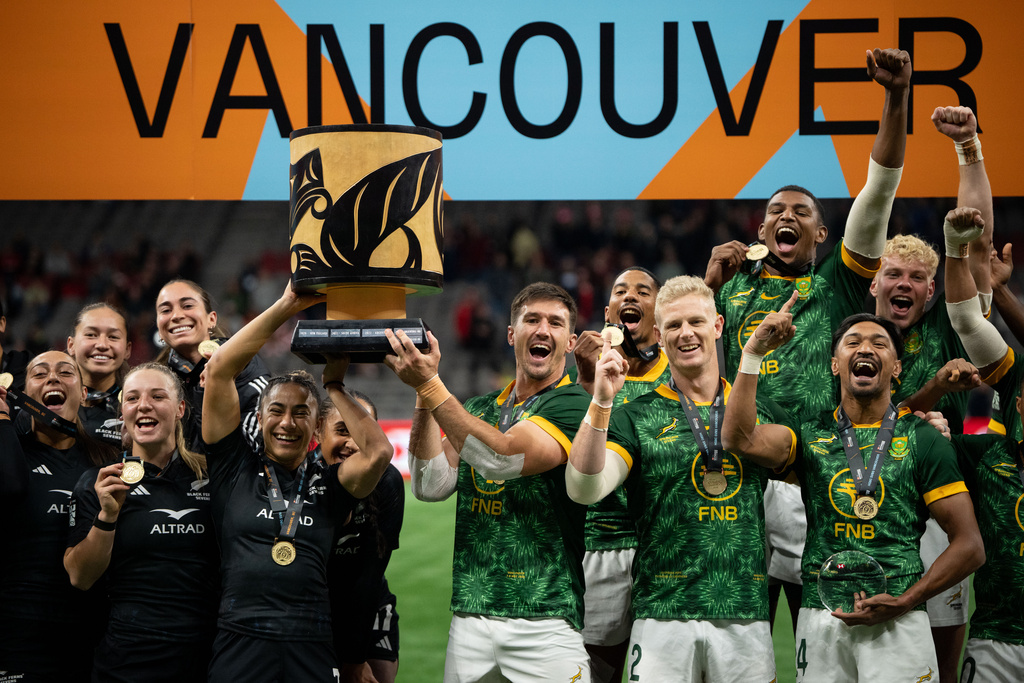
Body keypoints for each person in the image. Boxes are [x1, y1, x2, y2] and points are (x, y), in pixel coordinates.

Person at [705, 47, 912, 631]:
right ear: (761, 229)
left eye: (800, 211)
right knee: (740, 646)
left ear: (821, 233)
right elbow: (685, 360)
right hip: (737, 479)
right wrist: (707, 284)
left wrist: (896, 98)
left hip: (812, 475)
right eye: (776, 210)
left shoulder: (838, 283)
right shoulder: (730, 288)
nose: (786, 216)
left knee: (818, 636)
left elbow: (877, 194)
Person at [722, 302, 984, 682]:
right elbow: (738, 438)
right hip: (820, 617)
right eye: (852, 342)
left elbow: (970, 545)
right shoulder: (809, 435)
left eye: (879, 343)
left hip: (900, 620)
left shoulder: (923, 440)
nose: (865, 349)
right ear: (834, 364)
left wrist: (906, 600)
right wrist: (753, 353)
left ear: (896, 368)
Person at [566, 275, 783, 681]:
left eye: (696, 322)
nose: (686, 333)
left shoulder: (762, 410)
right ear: (660, 338)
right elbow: (584, 488)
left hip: (744, 612)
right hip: (661, 614)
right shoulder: (635, 415)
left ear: (717, 326)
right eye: (674, 326)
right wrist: (601, 401)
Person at [384, 282, 593, 682]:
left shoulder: (574, 404)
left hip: (544, 615)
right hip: (470, 617)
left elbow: (503, 458)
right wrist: (423, 392)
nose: (543, 329)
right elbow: (429, 485)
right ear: (512, 334)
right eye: (532, 320)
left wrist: (431, 384)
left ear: (570, 342)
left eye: (555, 323)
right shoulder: (481, 407)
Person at [201, 283, 392, 683]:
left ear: (317, 426)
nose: (287, 423)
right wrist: (287, 304)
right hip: (240, 638)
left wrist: (335, 387)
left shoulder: (331, 482)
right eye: (277, 410)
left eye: (301, 413)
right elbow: (219, 369)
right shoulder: (233, 466)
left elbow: (378, 453)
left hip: (311, 642)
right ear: (260, 418)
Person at [867, 105, 991, 682]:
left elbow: (975, 242)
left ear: (932, 288)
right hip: (866, 507)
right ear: (874, 281)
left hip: (940, 506)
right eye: (894, 274)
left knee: (939, 661)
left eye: (917, 278)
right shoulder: (851, 337)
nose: (904, 284)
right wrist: (922, 405)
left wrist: (969, 147)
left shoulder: (950, 328)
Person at [64, 362, 219, 682]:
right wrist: (107, 516)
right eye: (132, 398)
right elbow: (80, 577)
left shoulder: (213, 477)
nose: (144, 405)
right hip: (127, 660)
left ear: (180, 409)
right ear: (123, 412)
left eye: (157, 396)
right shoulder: (99, 483)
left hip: (206, 658)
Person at [571, 266, 670, 683]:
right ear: (608, 312)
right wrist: (583, 384)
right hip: (601, 543)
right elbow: (573, 457)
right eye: (620, 291)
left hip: (666, 547)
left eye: (643, 292)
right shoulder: (583, 372)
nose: (630, 296)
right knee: (598, 670)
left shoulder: (680, 372)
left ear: (660, 315)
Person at [0, 351, 117, 682]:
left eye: (66, 372)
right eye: (39, 374)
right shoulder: (10, 456)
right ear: (24, 394)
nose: (52, 378)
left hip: (91, 642)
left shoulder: (106, 459)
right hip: (17, 639)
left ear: (83, 393)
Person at [321, 389, 404, 683]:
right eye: (342, 430)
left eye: (363, 432)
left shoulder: (387, 482)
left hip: (366, 600)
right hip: (314, 604)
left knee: (378, 676)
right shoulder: (302, 476)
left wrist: (355, 660)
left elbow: (370, 575)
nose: (353, 443)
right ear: (318, 431)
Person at [155, 278, 269, 450]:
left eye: (187, 306)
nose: (176, 315)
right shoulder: (155, 381)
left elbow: (257, 445)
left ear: (212, 320)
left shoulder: (243, 367)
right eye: (166, 310)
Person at [66, 302, 133, 447]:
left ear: (127, 350)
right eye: (91, 335)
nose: (102, 345)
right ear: (71, 345)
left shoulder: (136, 407)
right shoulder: (48, 400)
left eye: (113, 337)